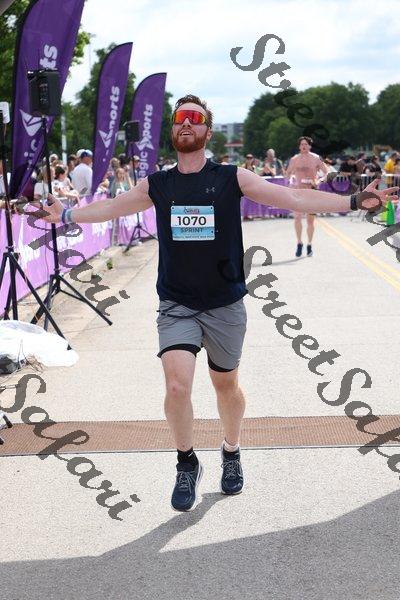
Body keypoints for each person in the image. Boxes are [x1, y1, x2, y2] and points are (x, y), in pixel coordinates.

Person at [42, 94, 396, 512]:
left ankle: (231, 449)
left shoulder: (232, 177)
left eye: (195, 119)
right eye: (180, 118)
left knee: (225, 386)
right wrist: (66, 216)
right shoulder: (158, 184)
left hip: (225, 304)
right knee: (177, 385)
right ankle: (186, 462)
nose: (186, 124)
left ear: (208, 132)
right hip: (177, 303)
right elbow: (111, 208)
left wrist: (352, 201)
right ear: (173, 129)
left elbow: (295, 199)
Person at [286, 137, 329, 257]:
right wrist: (291, 179)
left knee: (310, 221)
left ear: (310, 146)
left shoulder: (316, 158)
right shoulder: (294, 159)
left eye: (306, 144)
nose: (303, 146)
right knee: (297, 218)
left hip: (311, 192)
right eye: (301, 144)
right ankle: (299, 243)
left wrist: (319, 181)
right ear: (299, 146)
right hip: (298, 192)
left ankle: (309, 244)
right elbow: (288, 173)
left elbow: (327, 173)